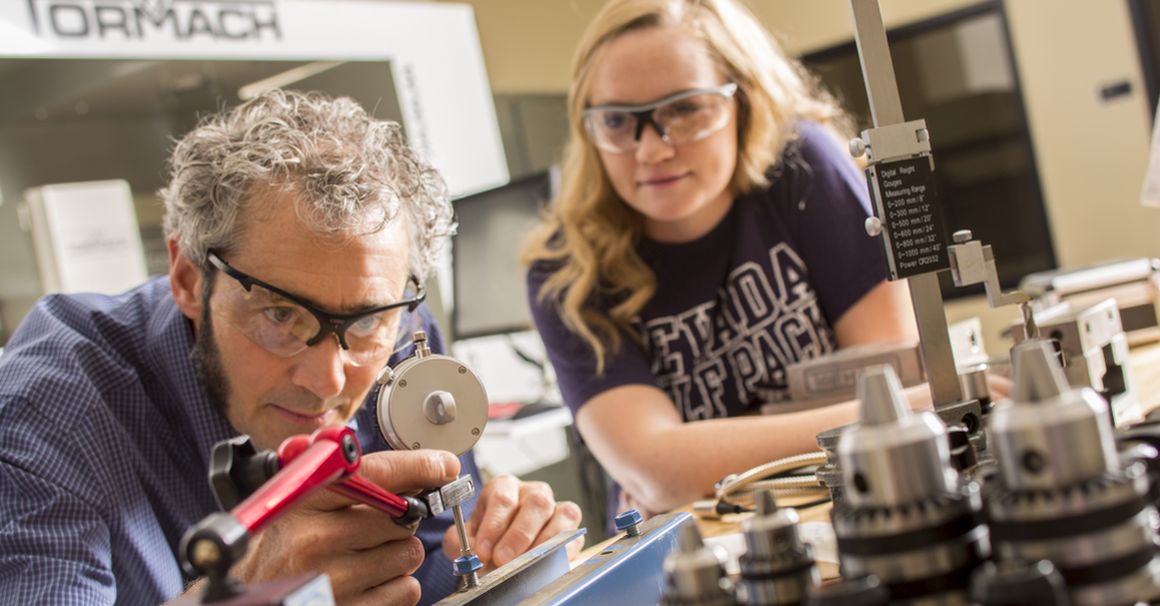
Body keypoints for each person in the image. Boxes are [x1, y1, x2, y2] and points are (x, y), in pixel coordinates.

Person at [0, 90, 582, 605]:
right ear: (186, 279)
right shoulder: (50, 412)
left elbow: (439, 564)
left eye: (366, 323)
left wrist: (506, 556)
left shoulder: (399, 337)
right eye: (280, 314)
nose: (329, 381)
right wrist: (242, 596)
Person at [522, 0, 935, 520]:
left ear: (745, 99)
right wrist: (918, 404)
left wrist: (700, 458)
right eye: (617, 120)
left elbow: (888, 386)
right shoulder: (567, 272)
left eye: (685, 109)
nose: (651, 150)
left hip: (846, 509)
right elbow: (659, 473)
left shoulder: (804, 168)